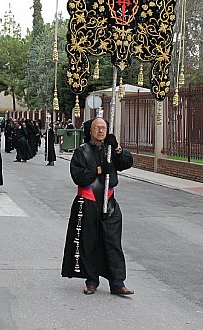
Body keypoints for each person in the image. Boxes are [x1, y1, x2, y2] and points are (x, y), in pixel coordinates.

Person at [61, 118, 135, 296]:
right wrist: (98, 170)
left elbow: (127, 163)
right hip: (88, 203)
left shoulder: (111, 149)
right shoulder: (82, 151)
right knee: (90, 242)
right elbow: (78, 176)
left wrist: (118, 150)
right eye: (97, 128)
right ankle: (92, 280)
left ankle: (117, 283)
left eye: (104, 128)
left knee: (113, 243)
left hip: (109, 203)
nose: (101, 131)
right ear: (91, 131)